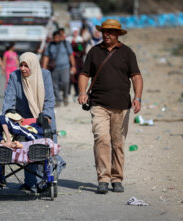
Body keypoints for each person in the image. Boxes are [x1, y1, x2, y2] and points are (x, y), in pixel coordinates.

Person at [78, 19, 143, 194]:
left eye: (111, 31)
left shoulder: (127, 53)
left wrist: (138, 97)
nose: (106, 34)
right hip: (98, 104)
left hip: (122, 106)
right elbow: (84, 74)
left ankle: (117, 178)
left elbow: (136, 76)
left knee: (118, 143)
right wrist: (82, 92)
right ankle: (103, 178)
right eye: (104, 31)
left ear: (118, 34)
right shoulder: (94, 52)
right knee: (101, 138)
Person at [2, 52, 65, 193]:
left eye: (27, 66)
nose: (23, 68)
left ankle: (46, 180)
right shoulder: (14, 77)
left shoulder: (45, 75)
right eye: (21, 65)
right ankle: (31, 183)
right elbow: (8, 101)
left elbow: (49, 99)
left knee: (46, 153)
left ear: (34, 66)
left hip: (43, 118)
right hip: (24, 120)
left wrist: (46, 116)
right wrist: (8, 118)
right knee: (27, 151)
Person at [42, 30, 76, 107]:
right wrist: (44, 68)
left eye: (58, 37)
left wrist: (73, 66)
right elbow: (46, 56)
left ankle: (65, 96)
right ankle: (58, 99)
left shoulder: (66, 43)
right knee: (54, 84)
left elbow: (71, 55)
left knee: (66, 82)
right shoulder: (50, 45)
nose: (56, 39)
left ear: (60, 37)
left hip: (65, 67)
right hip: (54, 68)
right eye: (55, 38)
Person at [66, 27, 85, 97]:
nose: (75, 33)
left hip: (78, 62)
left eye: (76, 31)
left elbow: (81, 51)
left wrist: (75, 54)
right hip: (69, 61)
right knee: (70, 77)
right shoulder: (69, 40)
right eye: (74, 31)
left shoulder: (79, 40)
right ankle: (67, 93)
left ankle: (77, 92)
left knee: (77, 77)